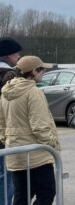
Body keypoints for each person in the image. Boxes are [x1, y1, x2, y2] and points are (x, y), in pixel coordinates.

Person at [0, 56, 58, 205]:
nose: (44, 72)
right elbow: (40, 127)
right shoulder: (33, 92)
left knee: (22, 195)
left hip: (14, 152)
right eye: (41, 69)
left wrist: (6, 140)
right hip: (36, 154)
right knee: (47, 192)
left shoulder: (6, 91)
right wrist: (52, 145)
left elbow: (2, 124)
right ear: (33, 72)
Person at [0, 37, 21, 204]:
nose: (19, 56)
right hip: (5, 134)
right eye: (16, 54)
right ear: (8, 56)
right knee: (7, 179)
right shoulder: (10, 75)